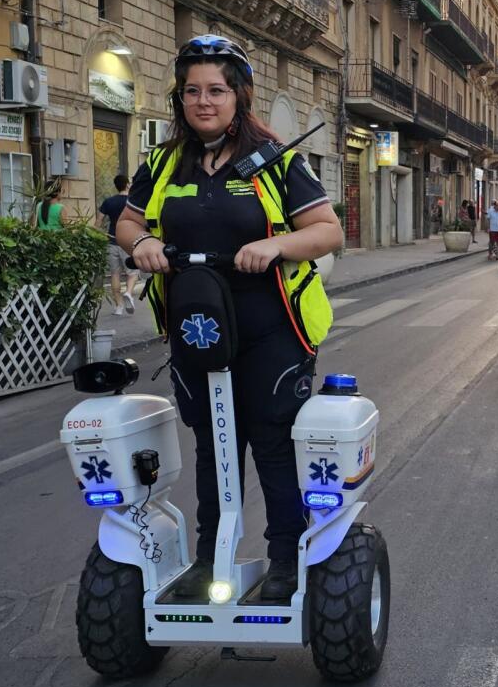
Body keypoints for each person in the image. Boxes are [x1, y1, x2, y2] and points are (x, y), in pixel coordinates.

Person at [117, 34, 342, 605]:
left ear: (239, 95)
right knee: (214, 447)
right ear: (180, 99)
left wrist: (279, 246)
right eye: (192, 90)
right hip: (198, 331)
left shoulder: (276, 162)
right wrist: (141, 240)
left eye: (216, 89)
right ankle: (209, 556)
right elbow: (126, 220)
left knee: (270, 442)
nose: (204, 101)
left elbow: (328, 231)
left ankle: (286, 558)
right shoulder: (163, 162)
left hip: (271, 329)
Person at [99, 172, 137, 316]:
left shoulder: (108, 202)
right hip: (128, 241)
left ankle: (119, 306)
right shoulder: (133, 201)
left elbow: (98, 222)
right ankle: (128, 292)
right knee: (132, 273)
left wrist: (100, 234)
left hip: (112, 241)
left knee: (115, 274)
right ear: (127, 184)